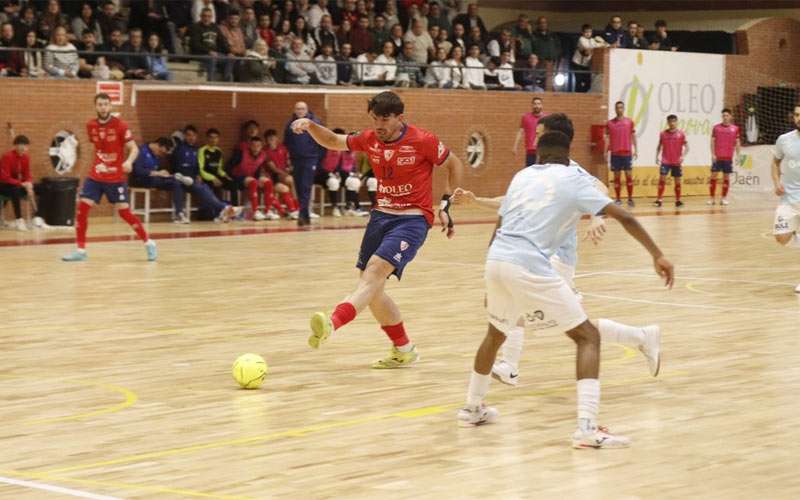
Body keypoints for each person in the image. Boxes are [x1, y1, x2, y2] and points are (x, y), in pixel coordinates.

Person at [457, 130, 674, 450]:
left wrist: (492, 272)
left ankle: (473, 407)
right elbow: (625, 215)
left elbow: (500, 224)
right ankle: (587, 428)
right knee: (586, 337)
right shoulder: (572, 179)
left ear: (538, 154)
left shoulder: (522, 176)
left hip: (497, 259)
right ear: (566, 153)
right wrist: (657, 253)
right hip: (529, 265)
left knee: (496, 333)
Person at [291, 91, 463, 368]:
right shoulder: (370, 138)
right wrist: (310, 125)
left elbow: (454, 163)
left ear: (399, 118)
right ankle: (404, 349)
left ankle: (333, 323)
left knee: (372, 274)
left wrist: (446, 203)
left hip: (412, 220)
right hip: (380, 217)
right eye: (375, 119)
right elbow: (334, 141)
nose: (379, 125)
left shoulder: (422, 140)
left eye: (385, 119)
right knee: (372, 289)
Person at [451, 113, 619, 387]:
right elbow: (509, 201)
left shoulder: (571, 171)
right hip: (535, 258)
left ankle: (508, 369)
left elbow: (600, 187)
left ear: (555, 137)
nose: (534, 138)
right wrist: (476, 199)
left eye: (539, 134)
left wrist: (598, 216)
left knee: (561, 323)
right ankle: (509, 367)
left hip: (555, 259)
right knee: (560, 321)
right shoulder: (536, 172)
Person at [63, 94, 157, 262]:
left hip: (116, 178)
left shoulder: (121, 126)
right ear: (95, 106)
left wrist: (128, 162)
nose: (103, 107)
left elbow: (134, 149)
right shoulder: (90, 125)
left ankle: (149, 243)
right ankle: (80, 250)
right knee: (82, 209)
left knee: (125, 213)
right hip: (96, 176)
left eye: (106, 104)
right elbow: (99, 148)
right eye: (100, 104)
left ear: (110, 106)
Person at [172, 125, 241, 222]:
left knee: (204, 189)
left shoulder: (196, 150)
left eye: (193, 135)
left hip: (193, 180)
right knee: (182, 185)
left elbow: (197, 167)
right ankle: (179, 214)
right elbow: (175, 167)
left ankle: (223, 210)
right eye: (188, 135)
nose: (191, 138)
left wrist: (198, 175)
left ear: (196, 136)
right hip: (181, 178)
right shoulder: (179, 149)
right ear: (184, 136)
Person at [771, 104, 800, 293]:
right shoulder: (784, 139)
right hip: (788, 198)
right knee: (781, 237)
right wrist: (776, 182)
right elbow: (775, 162)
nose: (799, 118)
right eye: (797, 115)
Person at [131, 136, 192, 223]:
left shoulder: (157, 156)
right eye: (161, 152)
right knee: (163, 179)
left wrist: (163, 173)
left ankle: (179, 214)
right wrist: (157, 173)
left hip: (154, 180)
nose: (161, 155)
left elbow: (156, 170)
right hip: (140, 180)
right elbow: (138, 171)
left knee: (176, 183)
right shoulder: (141, 150)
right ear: (158, 145)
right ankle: (174, 177)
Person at [284, 101, 325, 225]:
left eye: (302, 109)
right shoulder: (290, 125)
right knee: (299, 187)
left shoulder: (315, 123)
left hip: (310, 159)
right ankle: (305, 215)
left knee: (306, 187)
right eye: (297, 109)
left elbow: (323, 143)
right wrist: (290, 158)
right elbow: (287, 142)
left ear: (307, 110)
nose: (300, 111)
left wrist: (318, 159)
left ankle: (302, 214)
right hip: (296, 160)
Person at [230, 135, 280, 220]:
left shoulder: (263, 155)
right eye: (254, 146)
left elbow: (259, 168)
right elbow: (229, 166)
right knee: (253, 182)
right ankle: (255, 211)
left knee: (268, 182)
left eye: (258, 146)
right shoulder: (241, 153)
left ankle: (267, 211)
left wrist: (261, 178)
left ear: (261, 147)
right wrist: (230, 177)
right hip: (238, 178)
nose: (256, 148)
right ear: (250, 146)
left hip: (252, 177)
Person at [0, 134, 35, 231]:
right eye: (21, 145)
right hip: (3, 184)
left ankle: (38, 217)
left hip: (15, 185)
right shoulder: (7, 157)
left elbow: (27, 175)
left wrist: (29, 184)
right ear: (15, 146)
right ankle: (19, 219)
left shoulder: (26, 158)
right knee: (15, 190)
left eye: (26, 146)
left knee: (39, 187)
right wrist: (21, 184)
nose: (23, 148)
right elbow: (4, 177)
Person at [606, 100, 637, 206]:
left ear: (624, 109)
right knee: (616, 178)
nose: (619, 109)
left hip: (627, 154)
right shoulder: (610, 123)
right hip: (615, 154)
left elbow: (633, 136)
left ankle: (630, 199)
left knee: (628, 176)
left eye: (621, 107)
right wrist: (606, 151)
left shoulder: (629, 122)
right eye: (617, 107)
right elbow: (607, 138)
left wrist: (636, 149)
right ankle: (618, 198)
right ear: (615, 109)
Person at [264, 129, 300, 218]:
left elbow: (288, 161)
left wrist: (290, 167)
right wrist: (285, 173)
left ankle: (296, 208)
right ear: (266, 140)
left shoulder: (282, 148)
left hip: (284, 173)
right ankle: (296, 208)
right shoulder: (265, 151)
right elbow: (274, 169)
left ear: (276, 138)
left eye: (273, 138)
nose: (271, 140)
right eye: (269, 139)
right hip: (274, 175)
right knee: (290, 180)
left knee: (293, 182)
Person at [655, 115, 689, 208]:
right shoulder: (663, 134)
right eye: (670, 121)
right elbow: (659, 145)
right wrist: (657, 156)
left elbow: (687, 147)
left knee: (677, 181)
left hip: (676, 162)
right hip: (665, 161)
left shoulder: (681, 134)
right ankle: (659, 199)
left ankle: (678, 200)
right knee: (662, 179)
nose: (672, 123)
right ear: (668, 122)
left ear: (677, 122)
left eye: (674, 121)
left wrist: (683, 156)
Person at [709, 108, 741, 206]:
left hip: (728, 158)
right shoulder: (716, 128)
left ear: (730, 116)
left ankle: (723, 198)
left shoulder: (735, 129)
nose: (725, 117)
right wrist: (713, 154)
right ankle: (712, 198)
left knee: (726, 178)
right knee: (713, 176)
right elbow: (712, 141)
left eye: (727, 115)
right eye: (723, 116)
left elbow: (737, 142)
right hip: (717, 157)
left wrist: (738, 155)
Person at [199, 128, 238, 205]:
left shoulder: (219, 151)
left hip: (216, 176)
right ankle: (214, 209)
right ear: (207, 138)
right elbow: (201, 169)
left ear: (218, 139)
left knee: (233, 184)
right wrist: (213, 178)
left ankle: (234, 208)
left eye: (215, 137)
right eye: (211, 137)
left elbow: (219, 169)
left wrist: (225, 175)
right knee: (213, 186)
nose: (213, 140)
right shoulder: (202, 150)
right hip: (206, 177)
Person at [513, 96, 546, 166]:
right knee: (530, 171)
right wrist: (515, 146)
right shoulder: (526, 117)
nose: (537, 106)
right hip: (530, 150)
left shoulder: (546, 118)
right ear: (532, 105)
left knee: (542, 172)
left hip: (542, 150)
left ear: (542, 105)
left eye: (539, 104)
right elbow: (520, 132)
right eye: (535, 104)